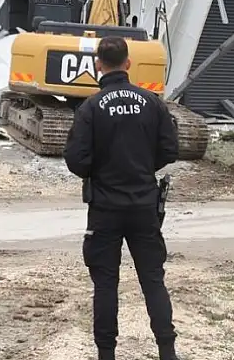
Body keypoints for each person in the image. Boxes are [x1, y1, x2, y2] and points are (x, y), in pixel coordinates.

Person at [63, 36, 181, 360]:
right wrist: (143, 166)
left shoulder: (90, 108)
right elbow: (170, 149)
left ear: (98, 65)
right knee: (153, 280)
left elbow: (76, 160)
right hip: (144, 204)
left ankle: (106, 354)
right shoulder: (152, 102)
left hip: (104, 208)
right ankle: (168, 352)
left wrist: (101, 171)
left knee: (105, 284)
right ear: (128, 64)